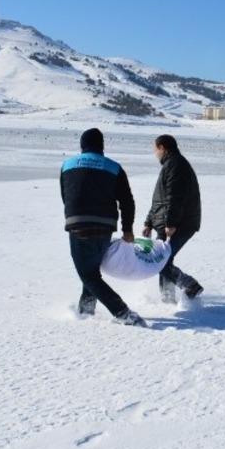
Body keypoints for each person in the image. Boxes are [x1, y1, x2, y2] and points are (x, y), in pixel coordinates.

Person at [60, 128, 147, 327]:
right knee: (91, 271)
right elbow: (127, 201)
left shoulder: (67, 165)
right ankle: (86, 312)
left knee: (88, 275)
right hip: (104, 227)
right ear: (101, 146)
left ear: (82, 145)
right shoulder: (114, 167)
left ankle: (123, 312)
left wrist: (75, 215)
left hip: (78, 225)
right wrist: (127, 229)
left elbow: (65, 195)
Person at [142, 134, 204, 303]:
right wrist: (149, 222)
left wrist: (171, 223)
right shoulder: (171, 165)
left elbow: (174, 197)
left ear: (162, 148)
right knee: (162, 260)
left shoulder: (175, 165)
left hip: (180, 223)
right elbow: (159, 200)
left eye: (155, 149)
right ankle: (167, 299)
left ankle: (189, 285)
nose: (155, 153)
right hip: (169, 222)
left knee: (161, 260)